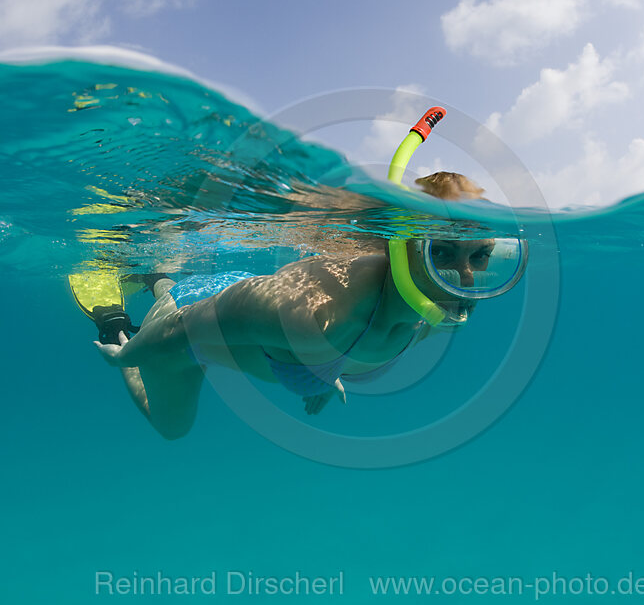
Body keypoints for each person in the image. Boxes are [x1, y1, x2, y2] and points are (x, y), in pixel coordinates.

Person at [82, 111, 529, 440]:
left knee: (173, 294)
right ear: (404, 245)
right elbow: (186, 325)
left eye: (482, 257)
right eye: (443, 253)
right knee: (172, 428)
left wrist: (320, 374)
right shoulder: (318, 312)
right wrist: (128, 356)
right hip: (187, 322)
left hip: (239, 305)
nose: (466, 280)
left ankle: (160, 276)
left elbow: (336, 349)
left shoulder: (430, 317)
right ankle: (117, 325)